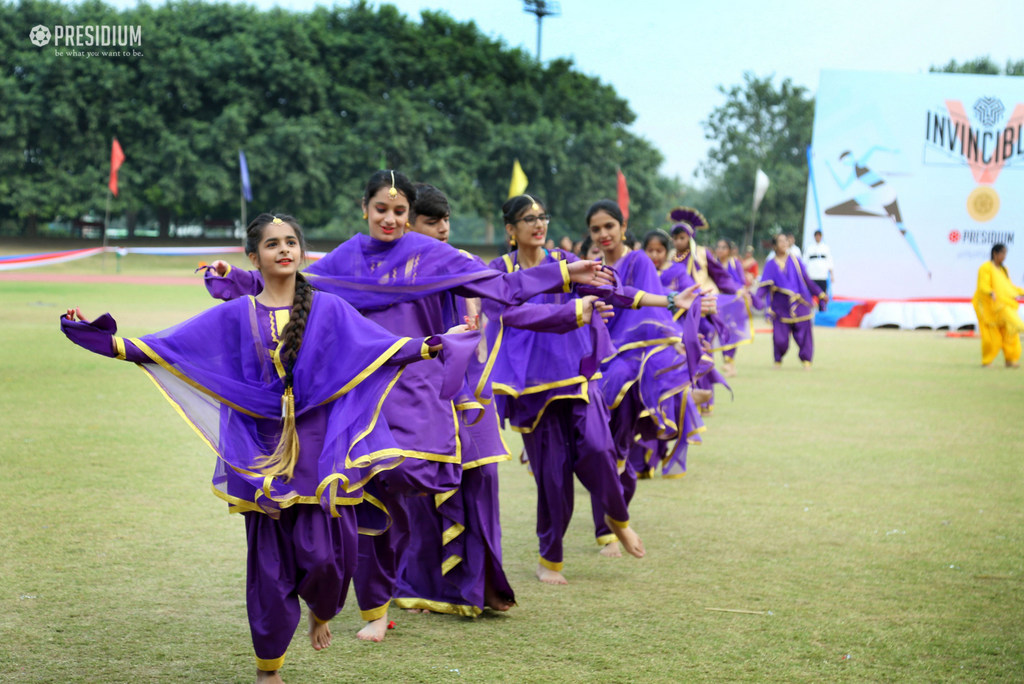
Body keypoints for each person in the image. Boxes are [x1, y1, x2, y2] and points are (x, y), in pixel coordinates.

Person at [62, 213, 474, 684]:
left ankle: (322, 609)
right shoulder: (236, 314)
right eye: (273, 243)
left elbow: (379, 349)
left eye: (292, 242)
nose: (284, 249)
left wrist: (434, 344)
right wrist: (108, 342)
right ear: (253, 257)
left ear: (301, 252)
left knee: (326, 557)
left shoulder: (329, 309)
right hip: (261, 451)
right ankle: (268, 668)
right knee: (269, 564)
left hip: (320, 452)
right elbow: (174, 347)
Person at [203, 171, 613, 641]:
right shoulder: (348, 256)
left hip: (418, 393)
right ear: (365, 209)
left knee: (399, 497)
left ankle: (378, 589)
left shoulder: (431, 254)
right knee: (360, 498)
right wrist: (235, 278)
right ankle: (371, 607)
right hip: (360, 391)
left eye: (399, 211)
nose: (391, 218)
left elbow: (496, 285)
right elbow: (297, 282)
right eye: (382, 209)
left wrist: (563, 272)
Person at [484, 193, 650, 585]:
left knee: (598, 448)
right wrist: (576, 311)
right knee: (553, 476)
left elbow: (609, 292)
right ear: (511, 230)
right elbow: (511, 313)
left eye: (543, 216)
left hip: (576, 374)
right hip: (530, 386)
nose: (539, 224)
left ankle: (618, 519)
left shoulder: (563, 260)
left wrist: (663, 299)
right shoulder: (500, 270)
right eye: (528, 219)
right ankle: (551, 558)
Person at [584, 199, 708, 556]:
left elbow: (640, 303)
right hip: (597, 365)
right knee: (601, 450)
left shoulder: (637, 261)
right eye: (596, 229)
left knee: (620, 449)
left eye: (610, 226)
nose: (604, 234)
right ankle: (606, 529)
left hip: (632, 367)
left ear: (624, 227)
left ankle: (614, 520)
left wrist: (672, 308)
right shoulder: (588, 269)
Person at [753, 232, 826, 368]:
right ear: (774, 246)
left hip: (800, 303)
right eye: (780, 241)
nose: (784, 243)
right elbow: (764, 288)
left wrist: (820, 293)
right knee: (780, 339)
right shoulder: (770, 265)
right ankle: (778, 360)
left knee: (804, 335)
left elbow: (807, 280)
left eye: (785, 241)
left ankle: (807, 361)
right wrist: (754, 299)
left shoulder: (795, 260)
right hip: (780, 306)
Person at [972, 243, 1024, 368]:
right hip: (988, 307)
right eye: (1002, 253)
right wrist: (990, 292)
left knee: (1010, 334)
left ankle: (1010, 360)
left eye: (1005, 253)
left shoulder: (1004, 270)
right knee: (992, 337)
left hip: (1003, 305)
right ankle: (987, 361)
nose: (1004, 256)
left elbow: (1008, 287)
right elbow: (982, 285)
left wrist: (1020, 292)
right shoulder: (985, 268)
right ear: (995, 253)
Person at [804, 229, 835, 311]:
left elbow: (830, 261)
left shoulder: (825, 248)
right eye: (816, 236)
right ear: (814, 237)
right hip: (812, 275)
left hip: (822, 275)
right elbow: (805, 262)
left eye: (819, 236)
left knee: (822, 295)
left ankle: (822, 311)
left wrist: (831, 275)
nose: (818, 237)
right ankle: (807, 311)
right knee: (809, 294)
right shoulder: (809, 248)